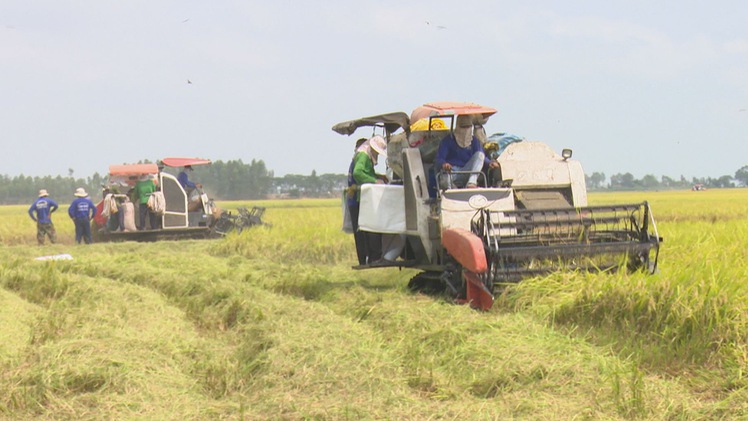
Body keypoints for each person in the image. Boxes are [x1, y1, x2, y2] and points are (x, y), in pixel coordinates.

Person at [349, 135, 388, 265]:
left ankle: (368, 259)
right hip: (358, 197)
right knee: (367, 229)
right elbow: (358, 173)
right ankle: (369, 259)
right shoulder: (363, 155)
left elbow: (366, 172)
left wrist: (378, 176)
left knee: (363, 230)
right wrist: (374, 181)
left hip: (358, 197)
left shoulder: (363, 154)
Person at [434, 115, 499, 189]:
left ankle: (471, 183)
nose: (466, 130)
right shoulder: (448, 140)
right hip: (452, 173)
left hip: (468, 172)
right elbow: (439, 159)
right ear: (458, 126)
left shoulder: (474, 141)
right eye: (463, 127)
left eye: (468, 127)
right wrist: (444, 164)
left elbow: (481, 157)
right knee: (445, 180)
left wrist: (490, 163)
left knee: (480, 154)